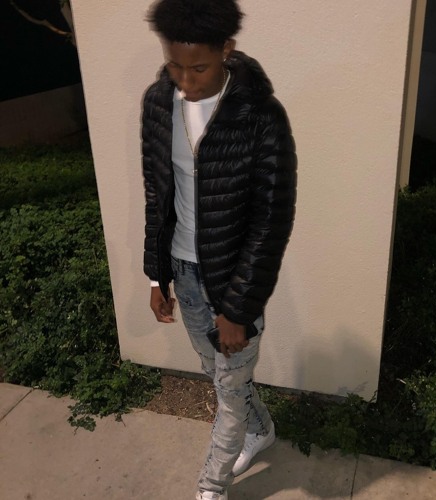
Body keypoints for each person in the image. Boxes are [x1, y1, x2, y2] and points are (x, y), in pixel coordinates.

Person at [142, 1, 297, 498]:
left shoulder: (261, 116)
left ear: (227, 50)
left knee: (228, 393)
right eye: (174, 65)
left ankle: (212, 486)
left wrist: (238, 309)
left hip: (233, 279)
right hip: (184, 272)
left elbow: (271, 221)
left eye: (200, 68)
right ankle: (260, 430)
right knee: (220, 374)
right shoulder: (158, 103)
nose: (185, 81)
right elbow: (157, 196)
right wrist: (157, 276)